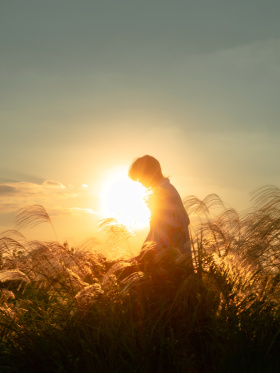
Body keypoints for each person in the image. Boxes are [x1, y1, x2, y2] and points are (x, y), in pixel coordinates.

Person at [128, 155, 193, 264]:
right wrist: (143, 253)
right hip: (172, 260)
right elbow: (156, 230)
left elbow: (163, 233)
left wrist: (144, 256)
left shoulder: (163, 193)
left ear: (148, 173)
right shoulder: (164, 190)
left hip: (171, 264)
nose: (139, 182)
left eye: (139, 177)